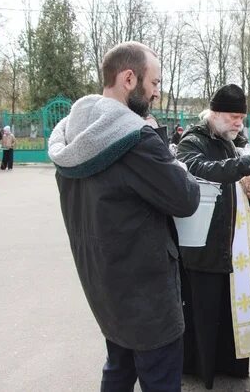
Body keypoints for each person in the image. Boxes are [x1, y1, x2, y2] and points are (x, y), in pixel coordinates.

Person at [48, 41, 201, 391]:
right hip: (148, 296)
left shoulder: (72, 133)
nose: (158, 93)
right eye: (155, 83)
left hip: (104, 286)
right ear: (129, 78)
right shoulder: (135, 139)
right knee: (159, 379)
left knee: (117, 369)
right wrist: (161, 145)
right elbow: (186, 197)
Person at [176, 84, 250, 390]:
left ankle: (229, 366)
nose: (238, 124)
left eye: (241, 118)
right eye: (233, 117)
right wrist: (249, 163)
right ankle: (200, 368)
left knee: (227, 309)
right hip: (203, 246)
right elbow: (202, 170)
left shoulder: (231, 141)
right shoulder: (192, 141)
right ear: (215, 113)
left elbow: (234, 187)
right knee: (203, 310)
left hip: (231, 245)